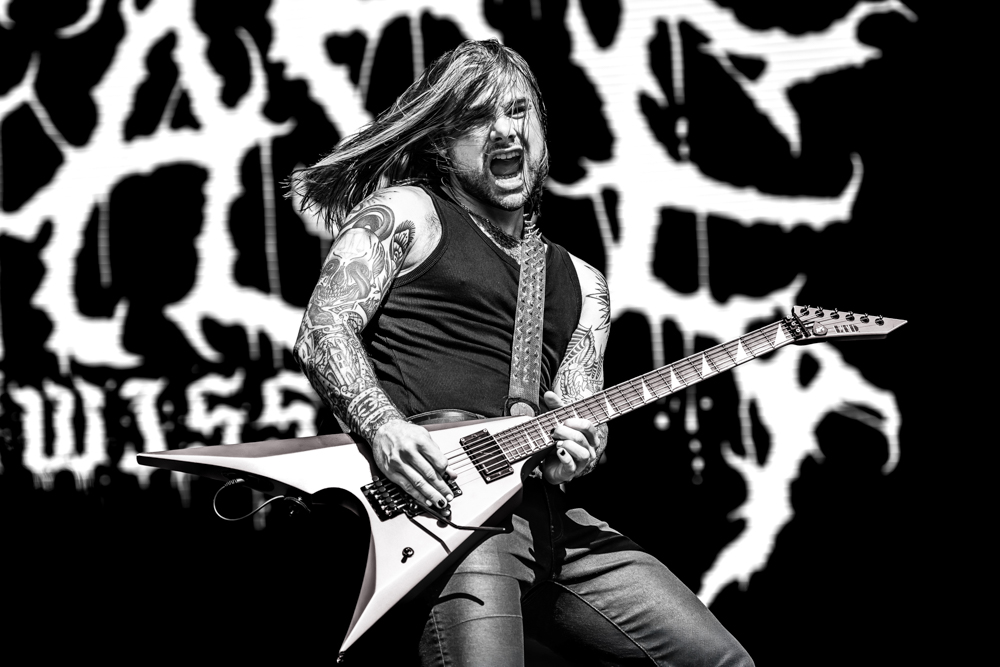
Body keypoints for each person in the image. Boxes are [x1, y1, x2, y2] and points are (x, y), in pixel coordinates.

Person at [291, 39, 752, 667]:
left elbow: (583, 414)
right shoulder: (409, 213)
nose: (506, 131)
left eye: (517, 111)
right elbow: (324, 330)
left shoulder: (584, 283)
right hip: (452, 518)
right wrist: (383, 426)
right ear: (440, 143)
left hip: (556, 523)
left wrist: (579, 452)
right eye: (479, 118)